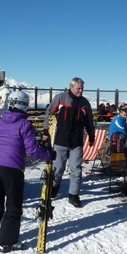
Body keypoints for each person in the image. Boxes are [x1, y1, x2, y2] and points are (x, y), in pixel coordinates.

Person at [0, 91, 53, 253]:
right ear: (24, 106)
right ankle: (7, 242)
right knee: (13, 206)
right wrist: (49, 154)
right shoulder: (24, 124)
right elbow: (32, 149)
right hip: (12, 168)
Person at [43, 77, 95, 208]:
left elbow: (89, 121)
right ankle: (54, 186)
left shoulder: (84, 103)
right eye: (78, 88)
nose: (81, 91)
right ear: (71, 87)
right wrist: (45, 131)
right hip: (60, 140)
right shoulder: (60, 98)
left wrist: (91, 136)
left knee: (76, 169)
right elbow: (49, 114)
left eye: (82, 88)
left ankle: (73, 195)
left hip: (76, 141)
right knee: (58, 168)